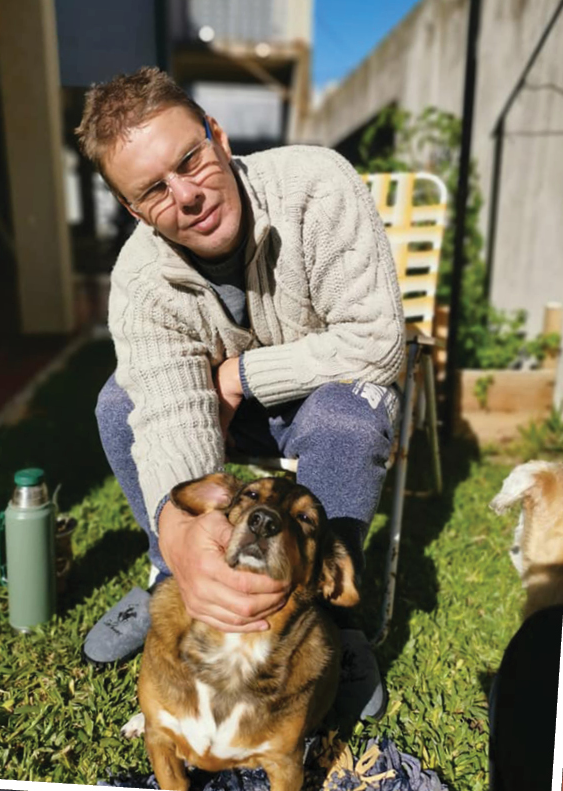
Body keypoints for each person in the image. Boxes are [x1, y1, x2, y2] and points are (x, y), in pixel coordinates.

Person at [75, 67, 405, 722]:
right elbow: (171, 417)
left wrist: (240, 375)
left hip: (321, 398)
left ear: (217, 135)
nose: (187, 196)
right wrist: (185, 539)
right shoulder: (142, 278)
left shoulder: (314, 187)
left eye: (189, 160)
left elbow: (377, 344)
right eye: (154, 192)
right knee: (121, 402)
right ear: (136, 211)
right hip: (228, 420)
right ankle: (171, 581)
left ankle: (331, 619)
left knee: (350, 417)